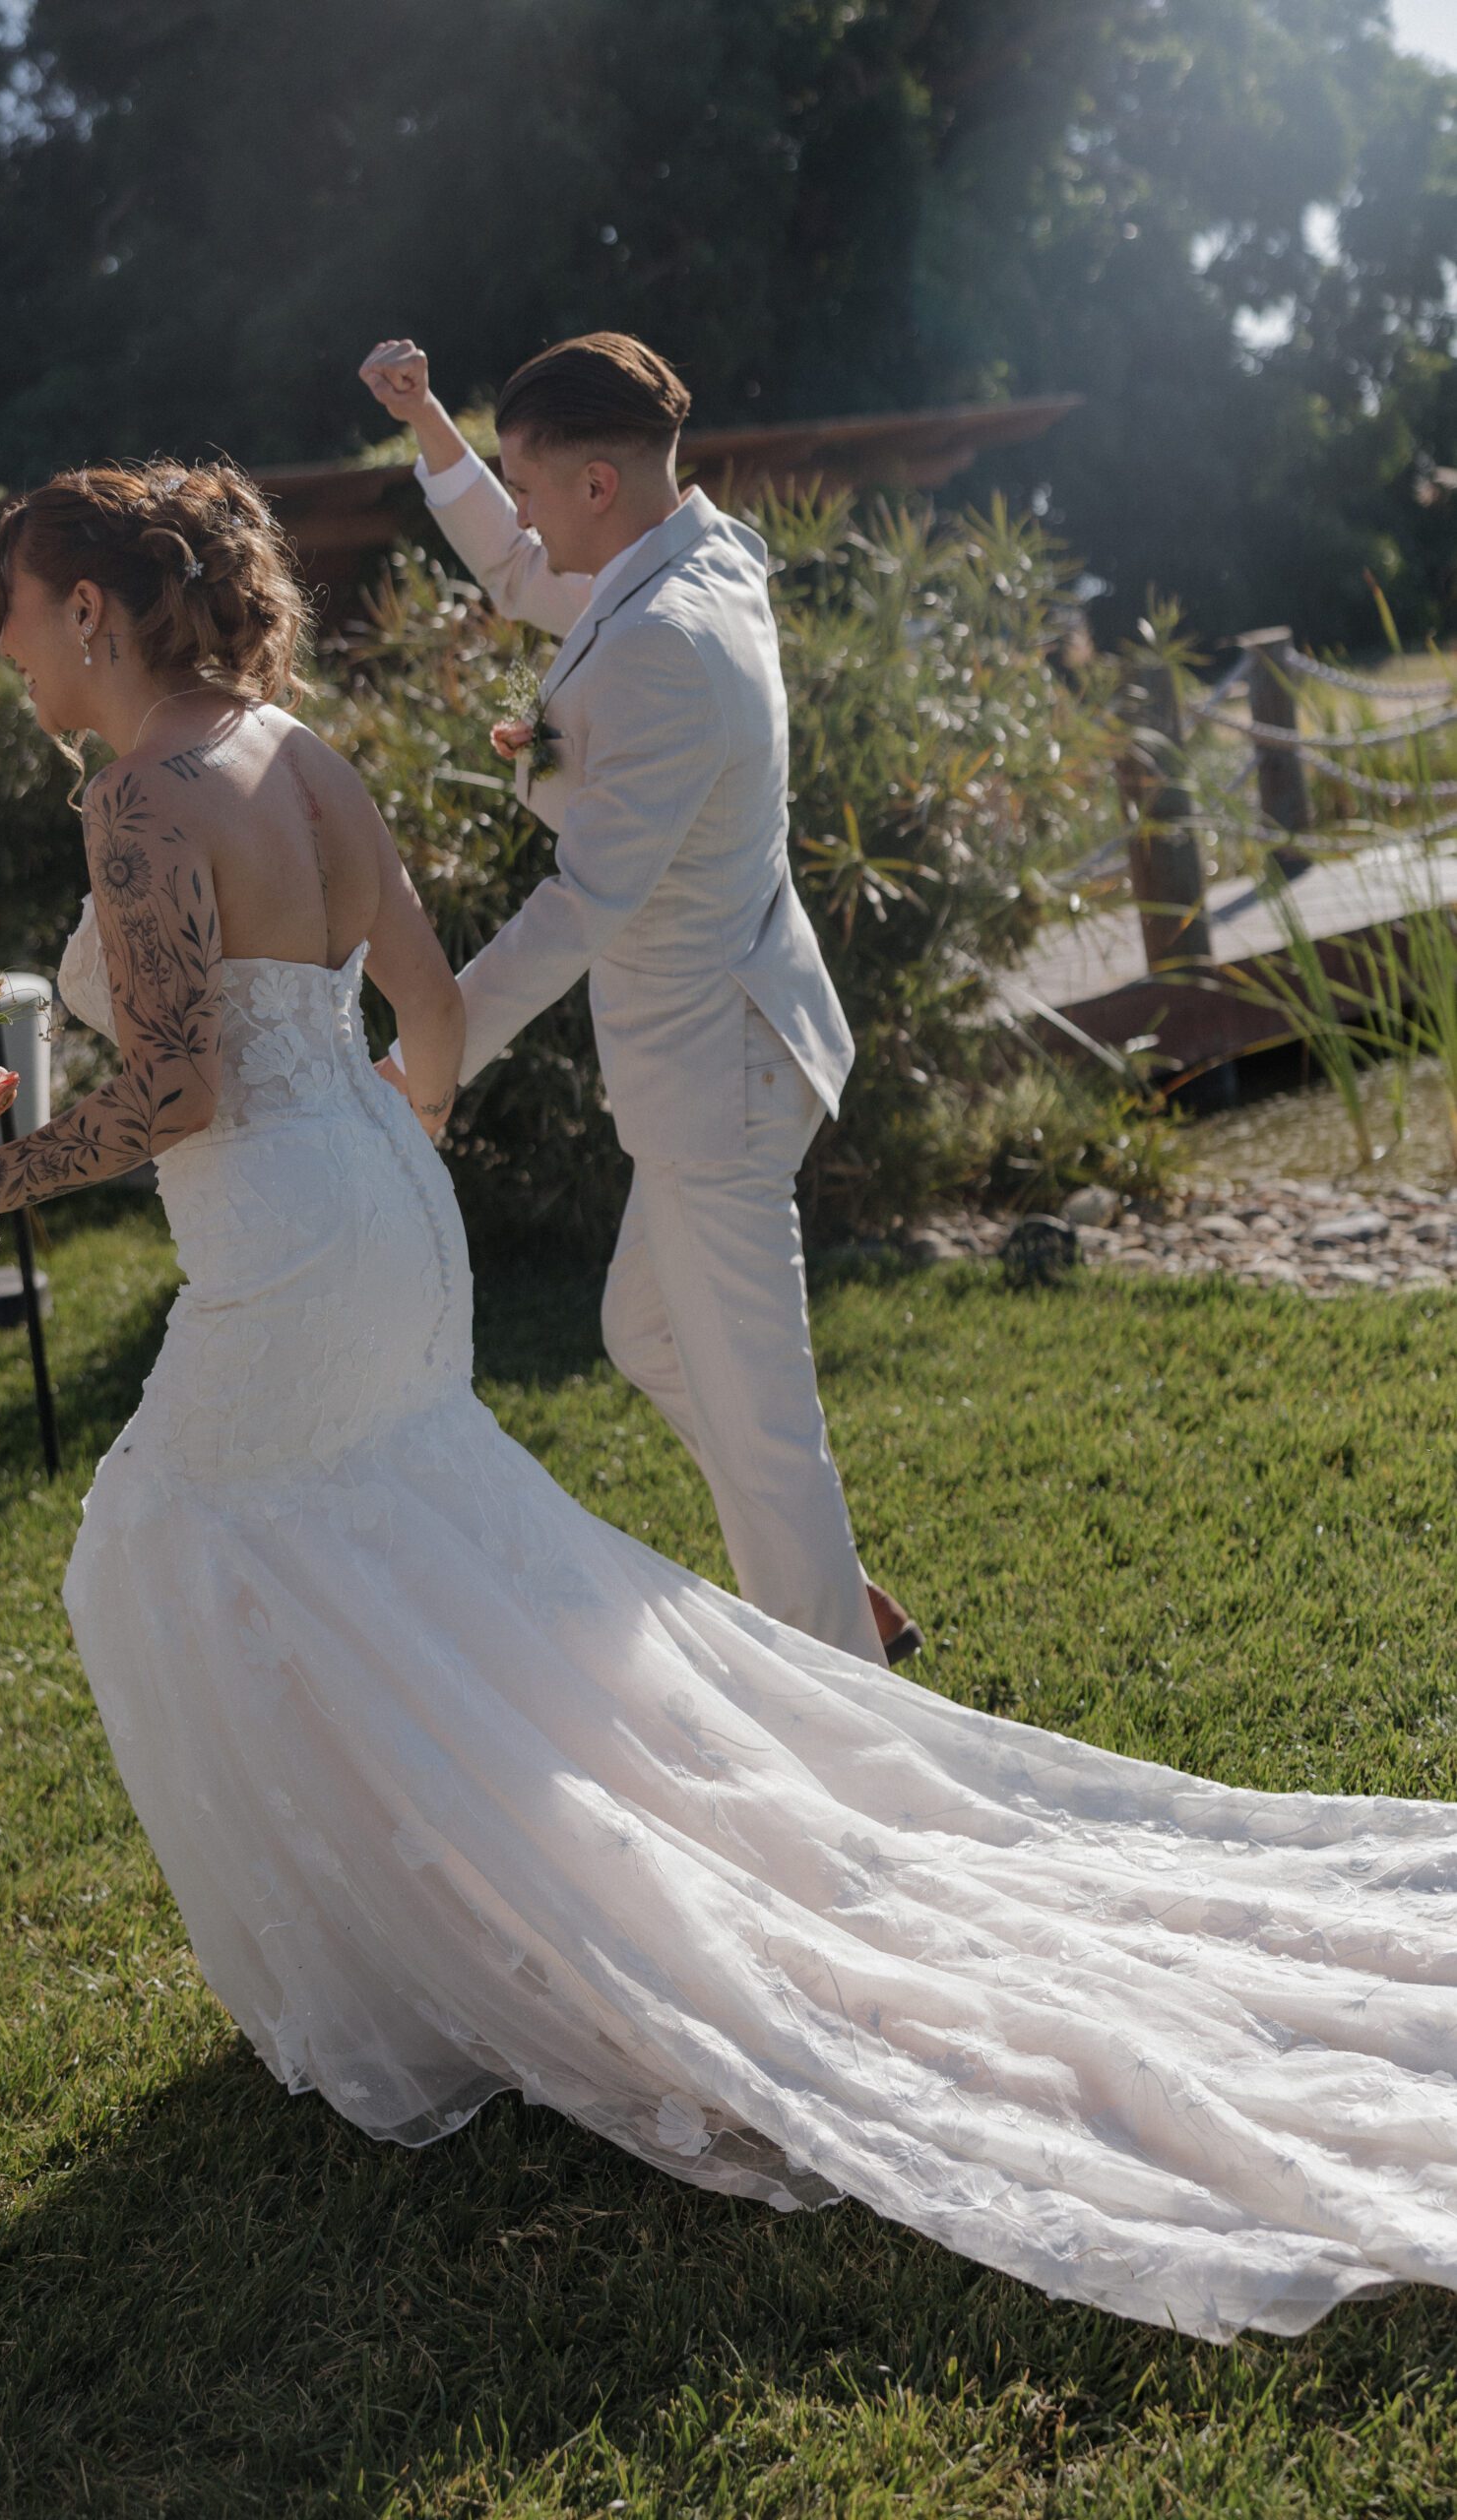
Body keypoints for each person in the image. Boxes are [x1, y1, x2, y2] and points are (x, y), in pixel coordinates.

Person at [0, 458, 1457, 2347]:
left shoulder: (140, 797)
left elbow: (176, 1091)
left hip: (287, 1239)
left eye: (11, 606)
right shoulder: (303, 753)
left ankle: (429, 1959)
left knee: (162, 1542)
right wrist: (376, 1157)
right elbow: (429, 1015)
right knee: (389, 1540)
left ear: (89, 611)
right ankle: (467, 1904)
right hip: (380, 1205)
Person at [359, 332, 919, 1670]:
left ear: (599, 484)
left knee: (765, 1418)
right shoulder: (699, 557)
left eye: (531, 483)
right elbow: (522, 570)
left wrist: (429, 1055)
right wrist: (428, 419)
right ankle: (837, 1592)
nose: (527, 514)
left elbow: (583, 906)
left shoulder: (665, 636)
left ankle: (844, 1680)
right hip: (732, 1038)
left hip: (714, 1073)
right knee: (642, 1331)